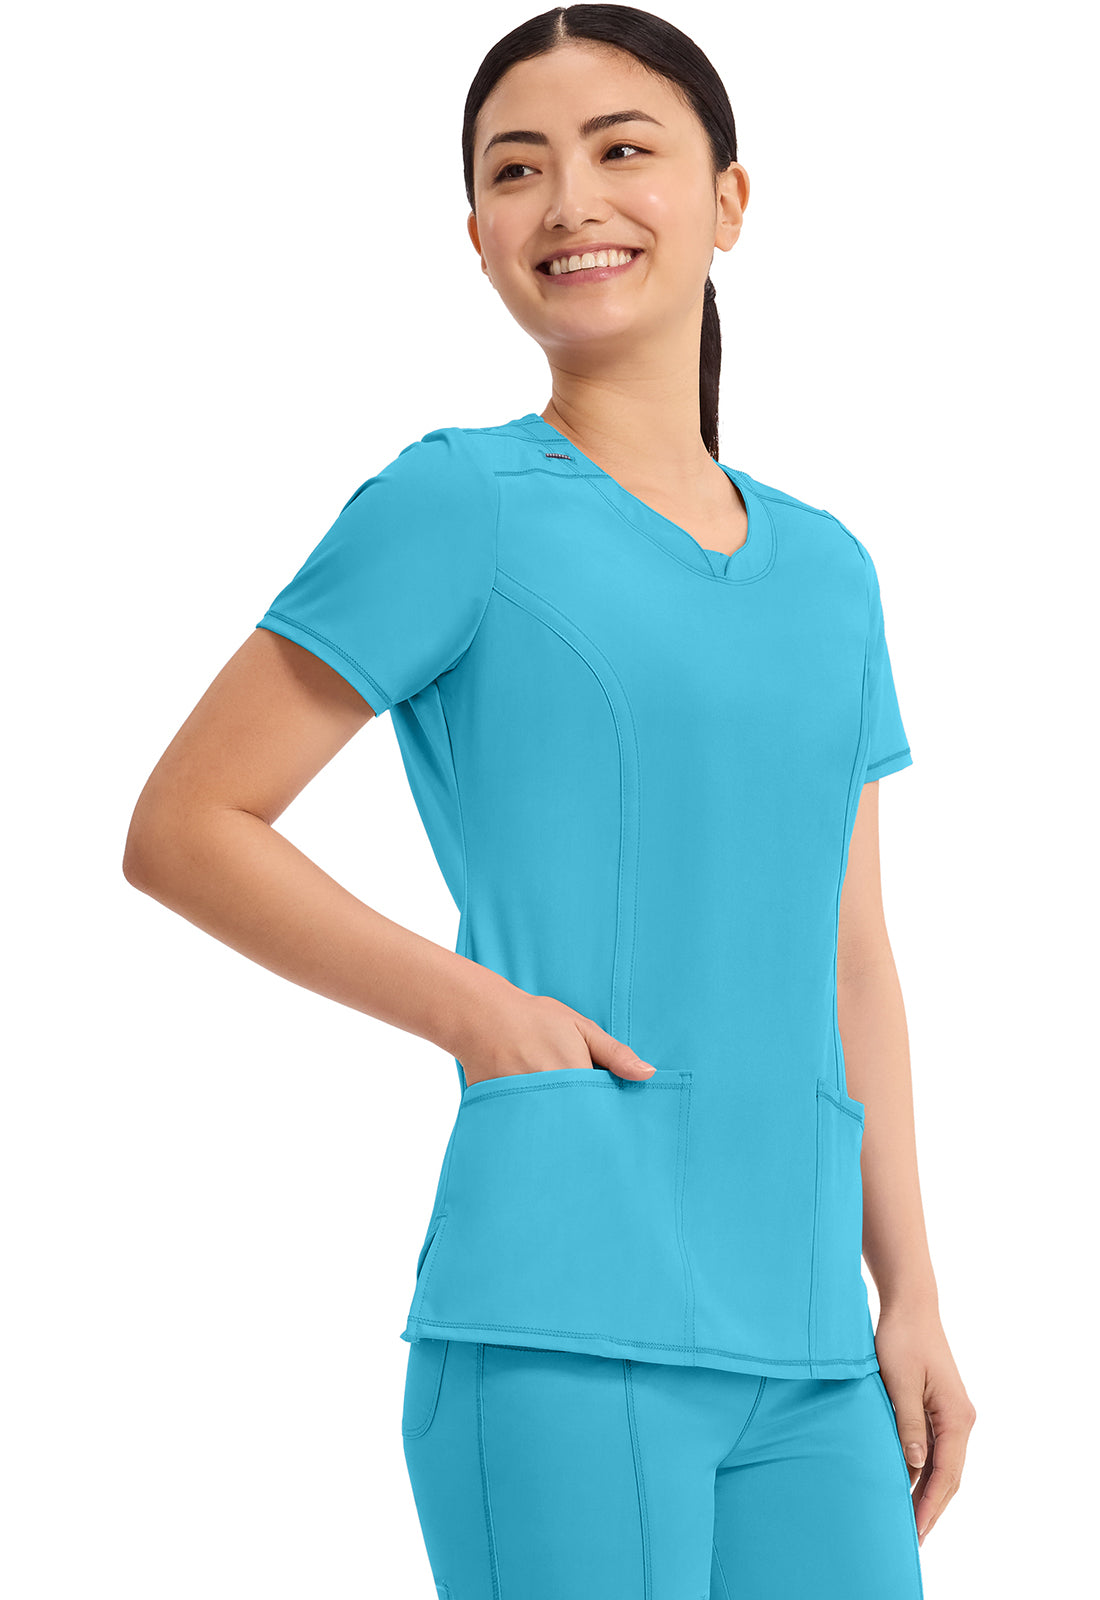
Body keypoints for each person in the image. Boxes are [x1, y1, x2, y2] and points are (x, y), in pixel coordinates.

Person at [123, 6, 977, 1597]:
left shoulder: (833, 571)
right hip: (562, 1317)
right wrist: (483, 1015)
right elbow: (185, 826)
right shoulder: (459, 503)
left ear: (729, 201)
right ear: (478, 236)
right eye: (517, 169)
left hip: (813, 1350)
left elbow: (851, 955)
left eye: (621, 149)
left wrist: (909, 1292)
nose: (570, 198)